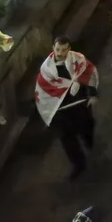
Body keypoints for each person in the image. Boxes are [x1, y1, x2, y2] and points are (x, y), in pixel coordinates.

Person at [36, 36, 99, 179]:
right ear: (53, 48)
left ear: (69, 50)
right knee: (67, 139)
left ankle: (89, 141)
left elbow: (90, 73)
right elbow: (43, 90)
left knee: (87, 126)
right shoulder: (46, 69)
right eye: (58, 49)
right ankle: (78, 164)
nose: (60, 53)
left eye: (64, 50)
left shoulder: (77, 60)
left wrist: (93, 94)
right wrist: (48, 113)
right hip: (61, 110)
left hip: (80, 104)